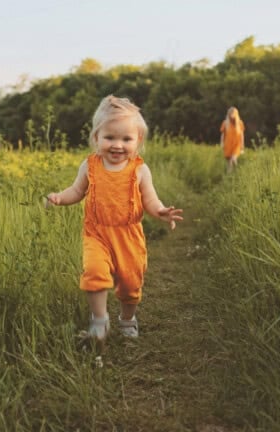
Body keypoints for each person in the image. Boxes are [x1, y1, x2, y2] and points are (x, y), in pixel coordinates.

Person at [46, 95, 183, 343]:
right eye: (109, 137)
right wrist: (59, 198)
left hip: (128, 235)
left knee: (131, 285)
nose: (117, 145)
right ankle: (100, 320)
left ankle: (127, 319)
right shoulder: (90, 166)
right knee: (95, 272)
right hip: (96, 233)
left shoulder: (139, 170)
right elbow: (76, 191)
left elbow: (150, 200)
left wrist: (161, 211)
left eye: (126, 139)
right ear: (96, 138)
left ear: (138, 141)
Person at [220, 106, 245, 172]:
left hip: (237, 144)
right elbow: (223, 135)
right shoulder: (225, 123)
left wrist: (242, 146)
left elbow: (242, 135)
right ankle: (230, 177)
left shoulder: (240, 123)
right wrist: (222, 143)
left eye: (233, 114)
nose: (231, 117)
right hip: (228, 144)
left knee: (233, 159)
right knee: (229, 163)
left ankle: (239, 171)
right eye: (230, 115)